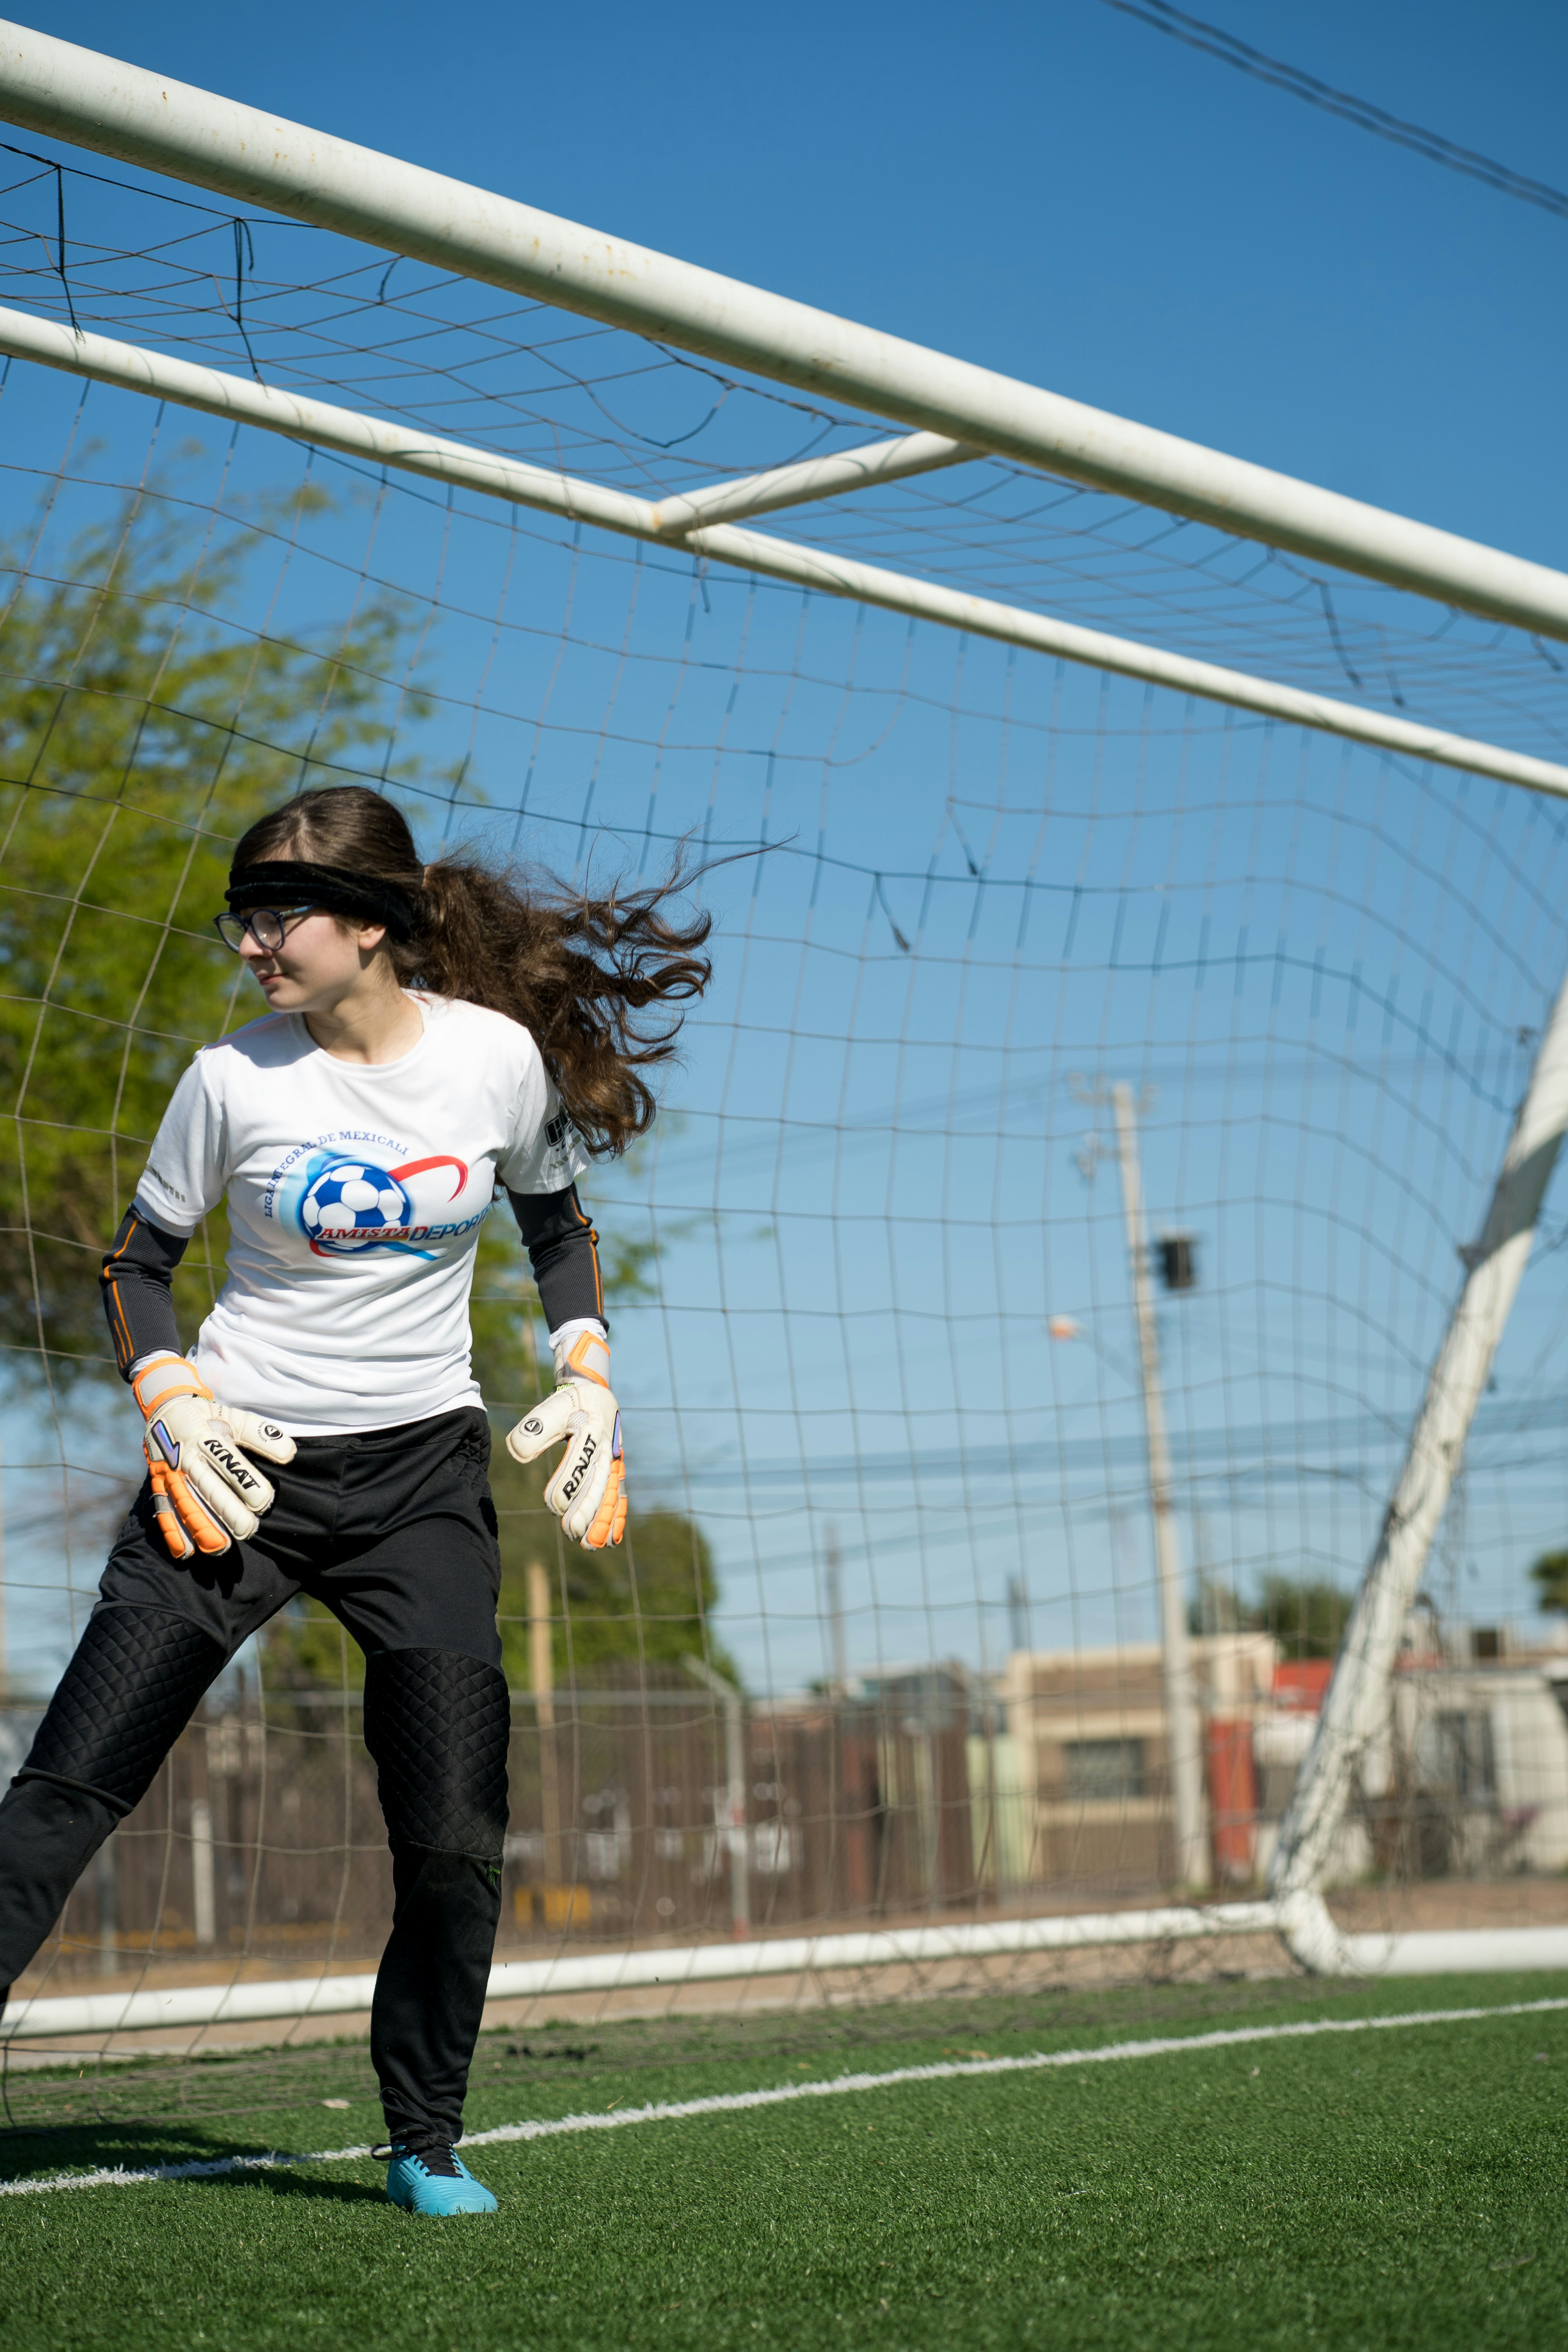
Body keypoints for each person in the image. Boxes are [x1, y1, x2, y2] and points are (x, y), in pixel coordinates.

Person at [0, 784, 710, 2216]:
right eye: (241, 919)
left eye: (280, 916)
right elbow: (136, 1266)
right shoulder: (232, 1081)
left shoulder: (497, 1061)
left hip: (419, 1488)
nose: (253, 943)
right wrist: (171, 1397)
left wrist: (585, 1365)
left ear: (373, 927)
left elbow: (555, 1221)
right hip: (234, 1473)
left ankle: (424, 2137)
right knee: (68, 1791)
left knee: (453, 1837)